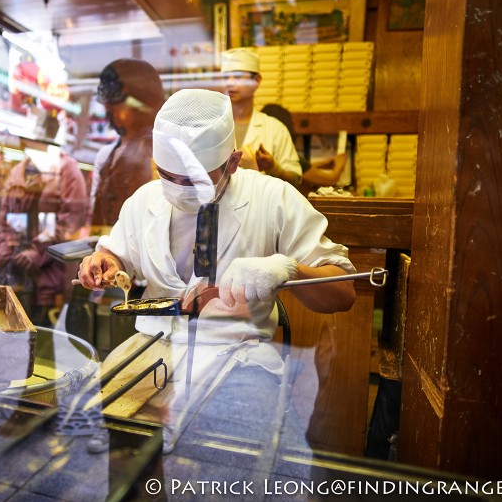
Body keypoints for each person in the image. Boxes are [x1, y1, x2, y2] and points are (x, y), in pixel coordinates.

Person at [76, 89, 356, 453]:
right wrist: (106, 260)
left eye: (194, 180)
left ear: (233, 162)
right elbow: (116, 253)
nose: (177, 190)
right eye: (167, 175)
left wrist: (287, 270)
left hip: (236, 355)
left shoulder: (273, 199)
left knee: (242, 464)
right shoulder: (145, 200)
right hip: (149, 350)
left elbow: (344, 293)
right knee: (98, 444)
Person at [0, 143, 88, 326]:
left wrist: (36, 254)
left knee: (40, 340)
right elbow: (4, 220)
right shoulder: (17, 173)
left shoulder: (66, 170)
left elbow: (69, 222)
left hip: (48, 279)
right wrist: (5, 253)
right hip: (16, 275)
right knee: (11, 338)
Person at [88, 58, 164, 235]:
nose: (110, 109)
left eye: (118, 101)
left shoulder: (159, 152)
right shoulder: (106, 156)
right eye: (109, 101)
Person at [220, 48, 304, 189]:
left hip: (263, 208)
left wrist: (274, 168)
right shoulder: (213, 125)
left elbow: (295, 179)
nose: (230, 83)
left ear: (256, 80)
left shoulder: (275, 129)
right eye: (225, 77)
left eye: (238, 76)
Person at [260, 103, 349, 195]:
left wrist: (323, 164)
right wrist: (340, 165)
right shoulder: (291, 155)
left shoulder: (265, 156)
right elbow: (330, 179)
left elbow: (303, 168)